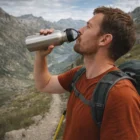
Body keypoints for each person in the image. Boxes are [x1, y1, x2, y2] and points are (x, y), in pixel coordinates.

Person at [34, 6, 140, 140]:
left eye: (88, 27)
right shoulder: (78, 74)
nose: (80, 31)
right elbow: (44, 84)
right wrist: (40, 55)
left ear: (104, 40)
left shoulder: (121, 95)